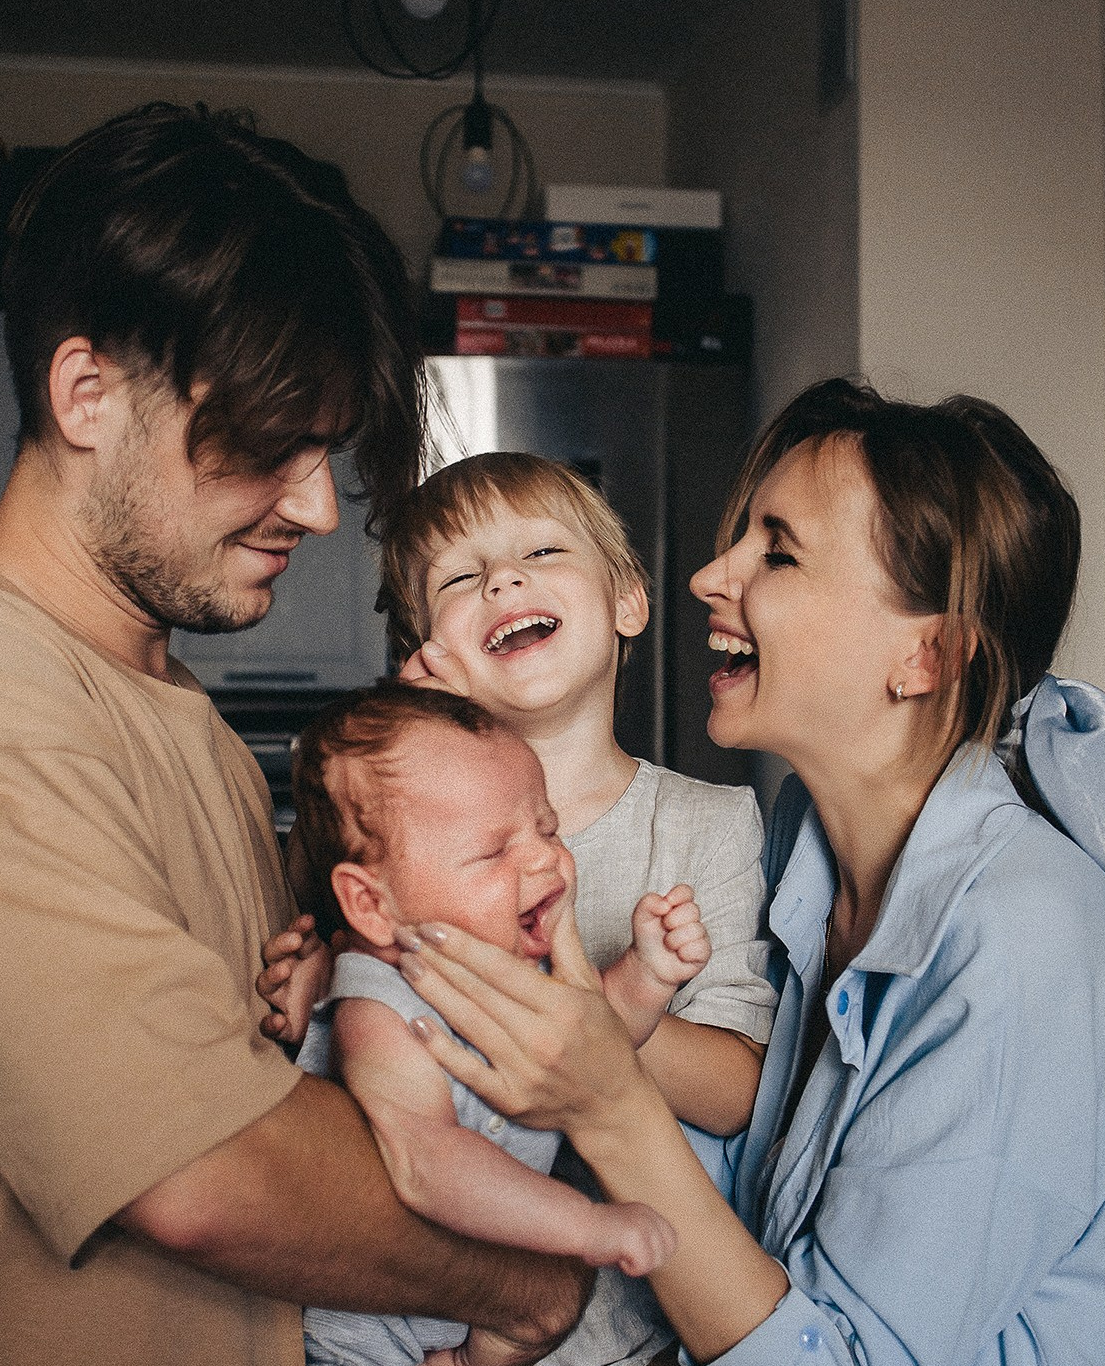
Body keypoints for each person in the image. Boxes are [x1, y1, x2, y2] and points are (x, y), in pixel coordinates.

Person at [0, 102, 591, 1366]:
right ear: (88, 393)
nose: (313, 504)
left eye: (324, 450)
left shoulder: (166, 707)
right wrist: (529, 1286)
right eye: (265, 444)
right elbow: (207, 1167)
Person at [387, 377, 1105, 1364]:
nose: (707, 576)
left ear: (928, 655)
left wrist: (608, 1099)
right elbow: (750, 1209)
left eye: (776, 550)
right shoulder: (801, 847)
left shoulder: (1026, 944)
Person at [259, 450, 778, 1365]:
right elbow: (332, 988)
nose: (504, 578)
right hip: (383, 1311)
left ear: (627, 602)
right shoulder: (388, 834)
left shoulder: (707, 825)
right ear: (427, 654)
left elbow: (738, 1093)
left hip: (617, 1338)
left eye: (541, 552)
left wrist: (609, 1017)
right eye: (462, 577)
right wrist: (311, 980)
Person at [290, 682, 714, 1366]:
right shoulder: (377, 1007)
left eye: (546, 828)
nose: (545, 858)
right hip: (369, 1336)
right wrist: (586, 1226)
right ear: (371, 904)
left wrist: (646, 976)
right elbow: (426, 1160)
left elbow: (591, 1042)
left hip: (480, 1309)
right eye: (492, 852)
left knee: (541, 1320)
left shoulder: (510, 967)